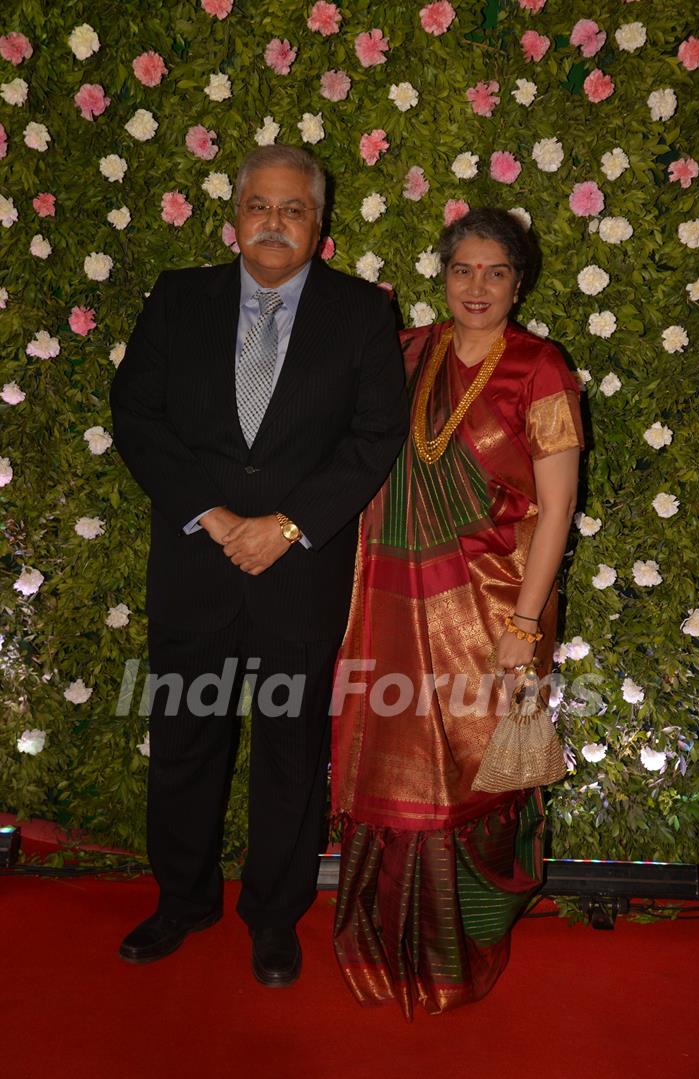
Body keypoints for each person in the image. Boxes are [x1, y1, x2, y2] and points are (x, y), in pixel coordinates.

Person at [110, 145, 408, 985]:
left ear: (321, 225)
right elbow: (137, 416)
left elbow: (374, 435)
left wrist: (285, 524)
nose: (274, 222)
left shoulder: (359, 313)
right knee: (183, 741)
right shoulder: (178, 299)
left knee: (289, 748)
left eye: (294, 209)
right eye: (260, 206)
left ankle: (274, 917)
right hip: (195, 563)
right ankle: (184, 899)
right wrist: (213, 516)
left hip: (299, 573)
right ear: (234, 215)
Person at [332, 207, 583, 1018]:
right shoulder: (405, 350)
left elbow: (555, 509)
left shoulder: (541, 370)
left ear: (520, 280)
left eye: (496, 272)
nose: (477, 287)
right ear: (443, 274)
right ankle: (379, 944)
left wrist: (523, 626)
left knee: (473, 780)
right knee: (388, 774)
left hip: (492, 613)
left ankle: (455, 949)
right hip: (391, 607)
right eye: (462, 270)